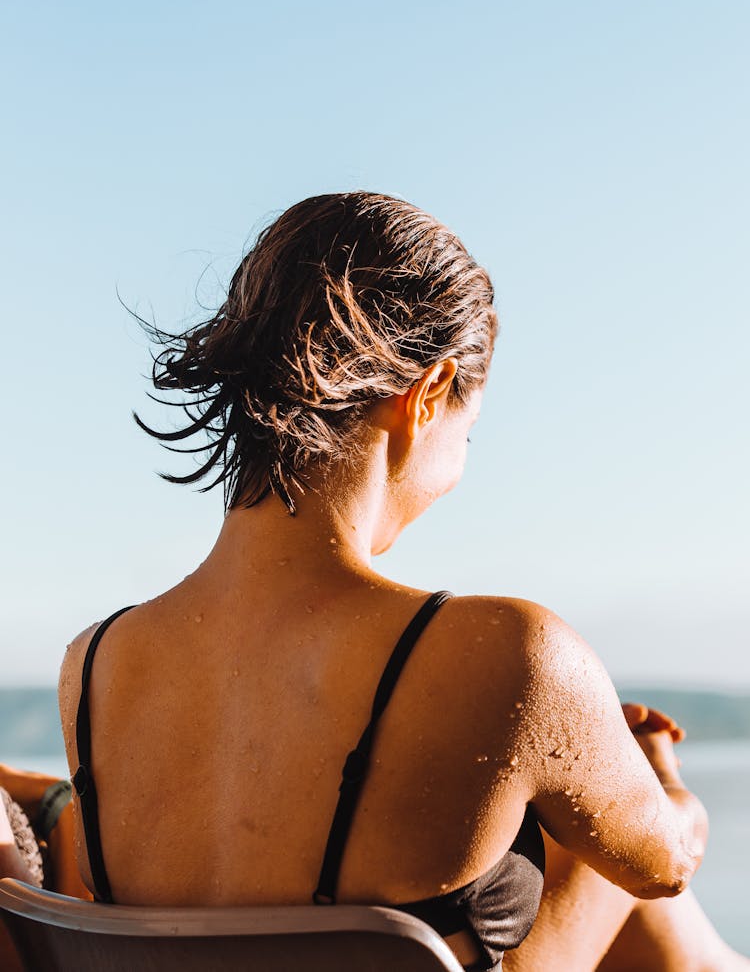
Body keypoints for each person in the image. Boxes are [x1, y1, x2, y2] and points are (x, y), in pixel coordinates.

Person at [52, 192, 746, 970]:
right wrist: (659, 781)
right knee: (602, 853)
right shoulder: (510, 651)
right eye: (469, 432)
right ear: (426, 392)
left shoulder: (93, 664)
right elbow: (666, 865)